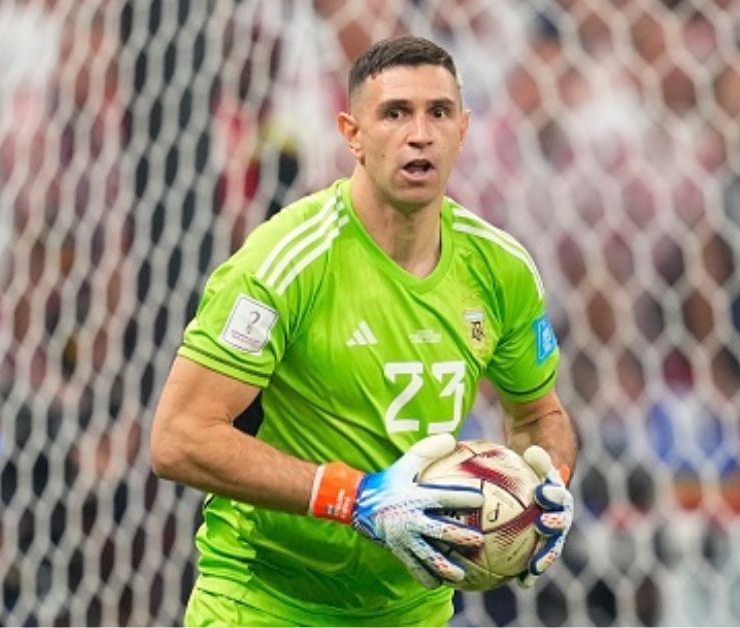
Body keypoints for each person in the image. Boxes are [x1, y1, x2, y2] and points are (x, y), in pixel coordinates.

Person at [149, 35, 576, 625]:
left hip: (412, 609)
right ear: (352, 133)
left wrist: (550, 485)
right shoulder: (288, 260)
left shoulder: (501, 270)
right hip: (264, 602)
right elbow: (179, 438)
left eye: (439, 113)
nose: (419, 133)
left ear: (464, 130)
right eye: (395, 113)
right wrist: (356, 499)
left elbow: (537, 415)